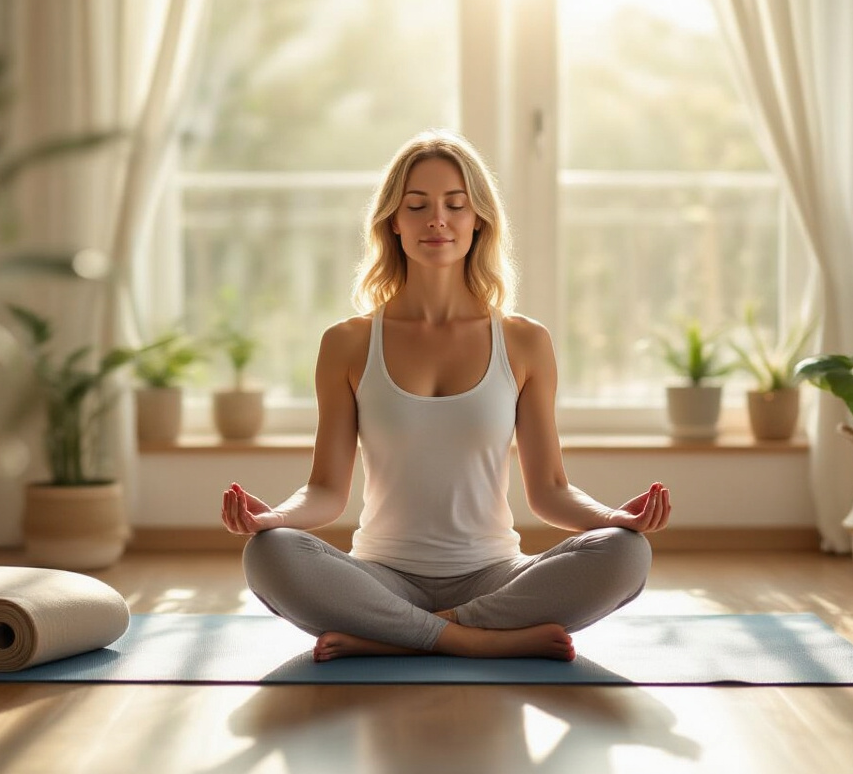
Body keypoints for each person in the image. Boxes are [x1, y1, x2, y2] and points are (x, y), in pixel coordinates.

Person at [220, 129, 670, 663]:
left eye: (455, 204)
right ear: (394, 221)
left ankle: (402, 636)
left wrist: (614, 517)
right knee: (270, 554)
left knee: (626, 555)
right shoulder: (347, 343)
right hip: (382, 577)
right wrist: (274, 519)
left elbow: (549, 490)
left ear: (479, 218)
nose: (438, 219)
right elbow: (324, 491)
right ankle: (473, 641)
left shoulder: (525, 341)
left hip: (496, 578)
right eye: (418, 205)